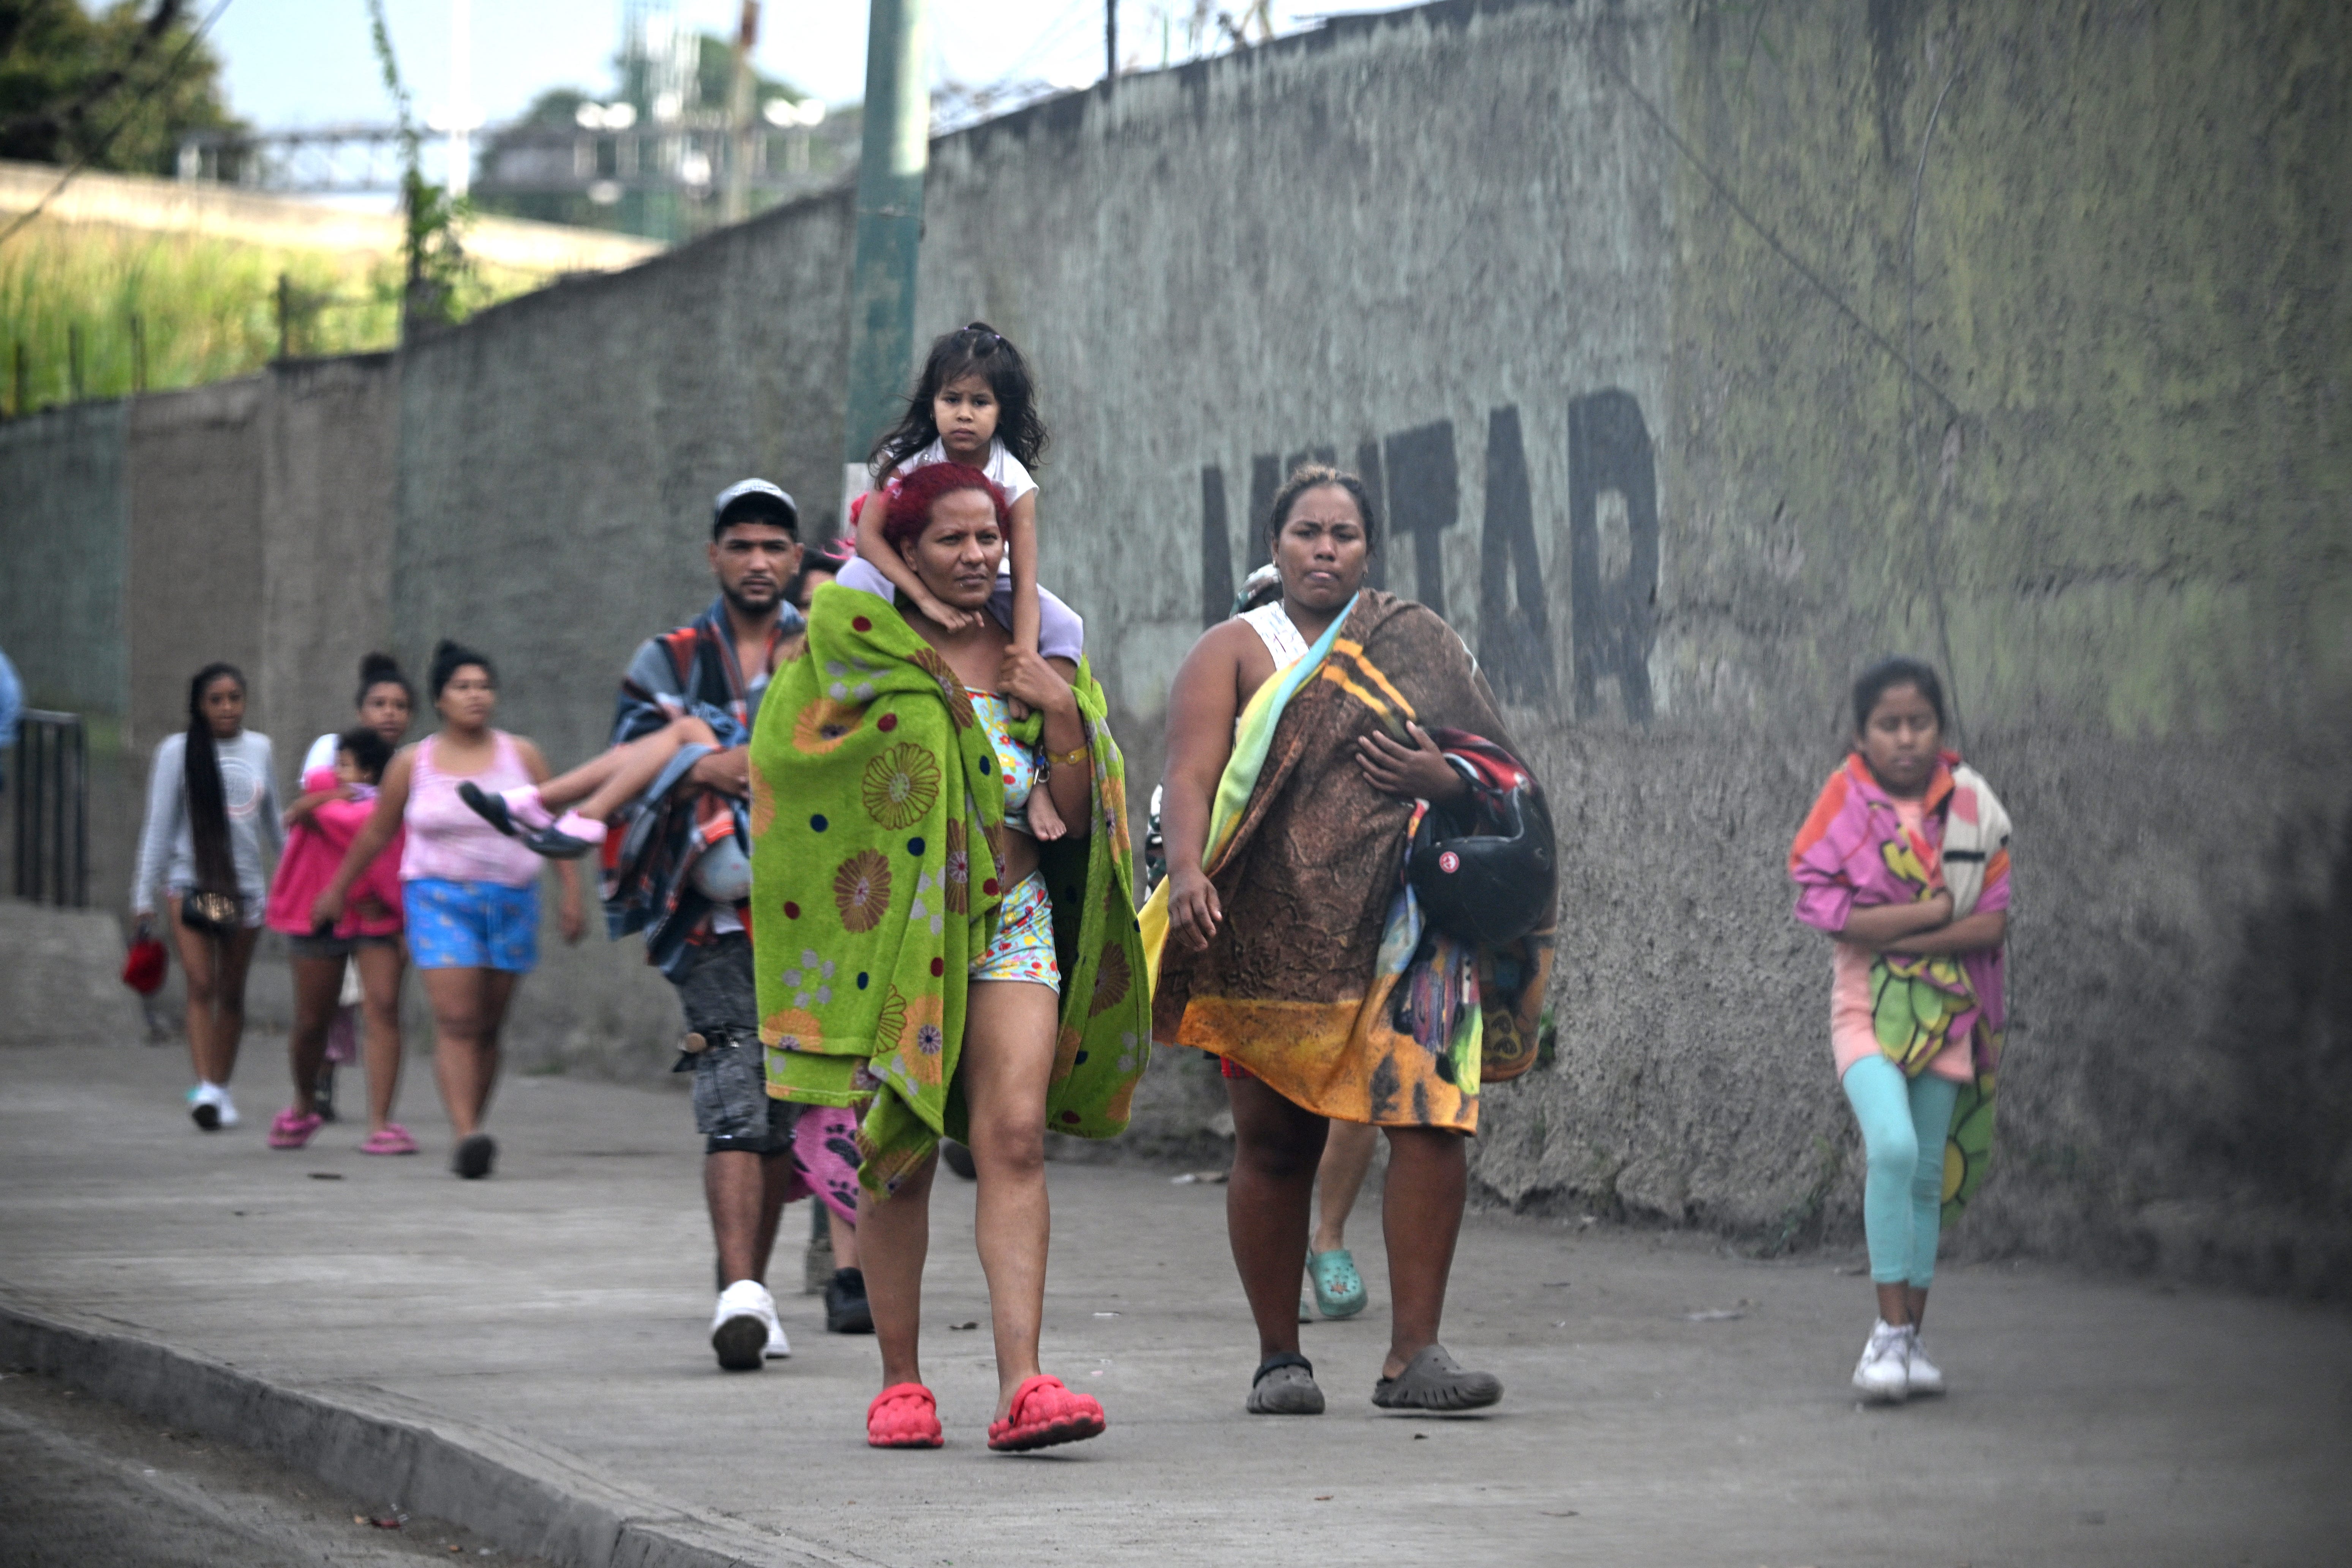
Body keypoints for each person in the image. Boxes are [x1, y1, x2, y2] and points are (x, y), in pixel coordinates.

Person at [749, 462, 1152, 1450]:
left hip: (1013, 916)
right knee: (901, 1155)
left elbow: (1071, 800)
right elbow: (791, 765)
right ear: (910, 552)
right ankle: (901, 1382)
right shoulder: (862, 651)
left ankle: (1024, 1385)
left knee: (1012, 1137)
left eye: (991, 539)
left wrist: (1060, 712)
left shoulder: (1037, 643)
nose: (979, 557)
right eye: (954, 541)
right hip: (898, 938)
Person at [1150, 464, 1556, 1418]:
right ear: (1275, 543)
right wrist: (1186, 874)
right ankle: (1277, 1356)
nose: (1323, 548)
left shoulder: (1416, 644)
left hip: (1412, 926)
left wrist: (1442, 777)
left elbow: (1498, 771)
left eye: (1342, 534)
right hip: (1267, 925)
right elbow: (1191, 774)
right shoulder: (1233, 649)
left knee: (1429, 1120)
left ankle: (1413, 1353)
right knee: (1275, 1141)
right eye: (1304, 532)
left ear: (1368, 549)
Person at [1789, 657, 2011, 1404]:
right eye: (1889, 724)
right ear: (1861, 734)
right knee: (1892, 1146)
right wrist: (1929, 915)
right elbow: (1826, 908)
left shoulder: (1971, 805)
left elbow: (1994, 920)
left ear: (1940, 731)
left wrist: (1900, 936)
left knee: (1925, 1180)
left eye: (1919, 723)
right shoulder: (1844, 802)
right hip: (1864, 1019)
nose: (1906, 738)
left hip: (1948, 1017)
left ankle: (1911, 1342)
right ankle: (1884, 1339)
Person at [313, 641, 583, 1178]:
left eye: (484, 686)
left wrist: (571, 892)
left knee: (489, 1024)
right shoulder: (415, 762)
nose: (476, 696)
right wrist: (338, 888)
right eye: (462, 687)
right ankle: (467, 1132)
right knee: (457, 1019)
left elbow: (552, 824)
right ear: (439, 699)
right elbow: (378, 832)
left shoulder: (521, 755)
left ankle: (473, 1124)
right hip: (439, 898)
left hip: (512, 899)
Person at [843, 321, 1086, 839]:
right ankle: (846, 702)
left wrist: (1024, 663)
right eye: (951, 399)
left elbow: (1023, 577)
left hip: (989, 580)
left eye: (981, 402)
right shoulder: (907, 456)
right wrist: (923, 602)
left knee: (1066, 625)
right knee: (848, 588)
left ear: (1003, 412)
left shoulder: (1013, 476)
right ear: (932, 401)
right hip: (902, 567)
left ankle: (1037, 768)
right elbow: (869, 540)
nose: (964, 413)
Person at [133, 663, 284, 1132]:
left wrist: (300, 880)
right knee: (201, 983)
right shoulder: (177, 752)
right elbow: (158, 826)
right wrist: (143, 894)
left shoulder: (260, 748)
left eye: (235, 698)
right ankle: (207, 1090)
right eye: (216, 699)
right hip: (190, 885)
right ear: (200, 705)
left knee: (231, 991)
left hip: (245, 892)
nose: (227, 707)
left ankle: (222, 1085)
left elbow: (275, 825)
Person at [278, 653, 417, 1138]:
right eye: (379, 704)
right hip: (323, 908)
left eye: (400, 706)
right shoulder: (329, 752)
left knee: (382, 1008)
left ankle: (381, 1124)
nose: (390, 714)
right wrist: (321, 801)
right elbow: (331, 815)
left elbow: (404, 840)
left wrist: (400, 908)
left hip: (381, 913)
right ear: (361, 711)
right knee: (314, 1019)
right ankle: (304, 1102)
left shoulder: (415, 766)